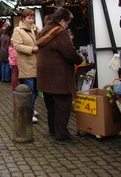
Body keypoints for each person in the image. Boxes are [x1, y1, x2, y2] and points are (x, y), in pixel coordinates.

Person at [36, 8, 83, 143]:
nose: (68, 25)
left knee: (51, 104)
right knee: (63, 105)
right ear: (62, 21)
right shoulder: (60, 32)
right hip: (58, 75)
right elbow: (69, 52)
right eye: (68, 22)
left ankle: (53, 129)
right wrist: (78, 59)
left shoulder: (45, 29)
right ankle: (61, 135)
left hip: (45, 74)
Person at [12, 8, 39, 123]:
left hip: (37, 63)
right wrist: (32, 49)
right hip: (27, 63)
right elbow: (17, 46)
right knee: (30, 90)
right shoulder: (18, 30)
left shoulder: (35, 29)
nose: (31, 20)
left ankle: (30, 109)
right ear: (23, 18)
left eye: (32, 18)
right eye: (29, 18)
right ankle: (28, 112)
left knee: (36, 90)